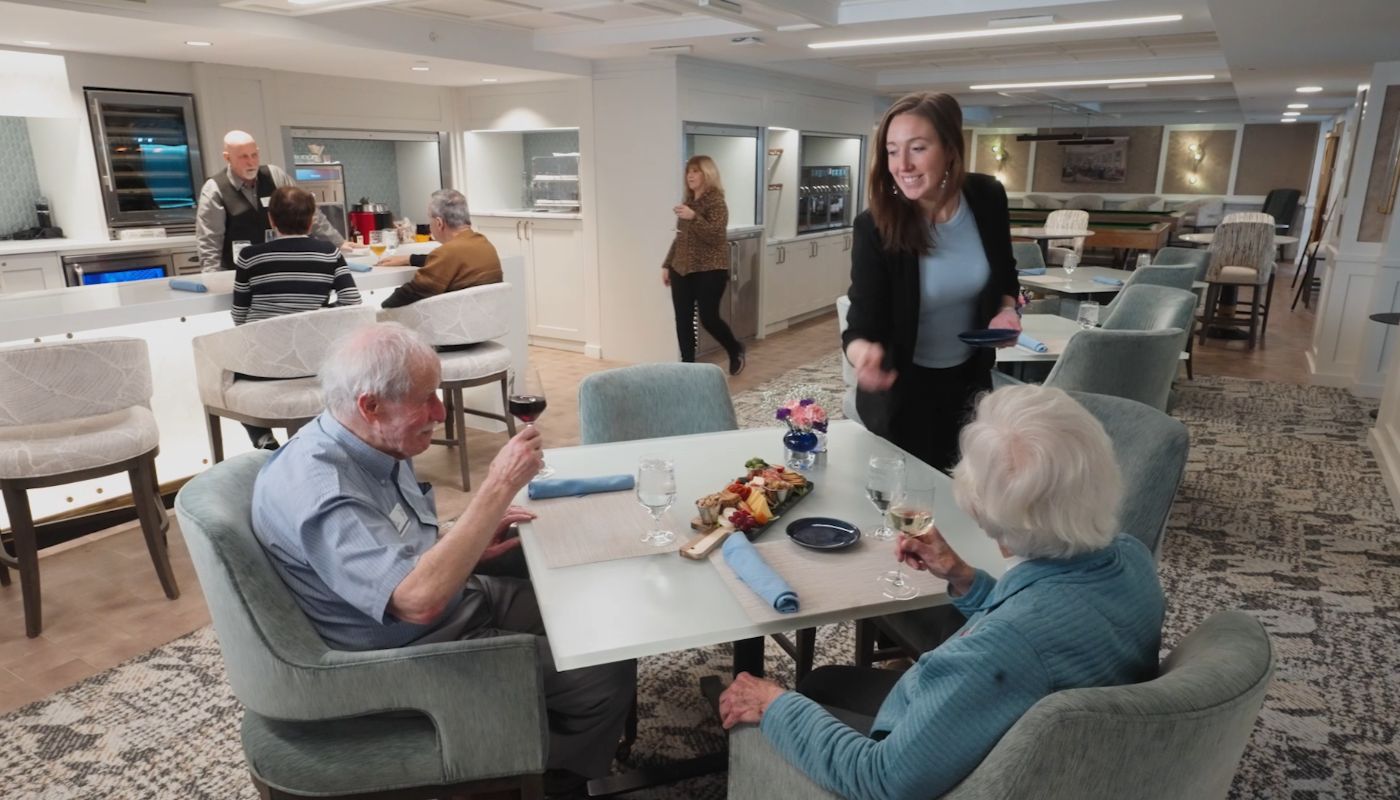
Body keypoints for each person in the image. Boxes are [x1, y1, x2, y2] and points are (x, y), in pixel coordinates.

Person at [718, 385, 1165, 800]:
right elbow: (1044, 618)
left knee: (793, 698)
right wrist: (965, 578)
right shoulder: (1132, 559)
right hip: (1049, 744)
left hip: (946, 768)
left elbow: (880, 778)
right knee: (823, 683)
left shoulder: (1007, 646)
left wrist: (773, 704)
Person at [252, 323, 636, 788]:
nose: (440, 411)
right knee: (601, 667)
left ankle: (555, 745)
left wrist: (463, 543)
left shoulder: (370, 440)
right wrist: (497, 486)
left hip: (451, 604)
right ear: (370, 405)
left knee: (596, 623)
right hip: (407, 648)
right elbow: (417, 601)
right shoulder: (322, 489)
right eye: (425, 399)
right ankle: (546, 777)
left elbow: (399, 544)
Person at [842, 92, 1022, 471]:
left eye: (918, 148)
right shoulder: (875, 226)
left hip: (970, 382)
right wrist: (864, 357)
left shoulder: (987, 197)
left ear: (950, 149)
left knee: (971, 498)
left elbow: (1005, 271)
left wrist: (1006, 311)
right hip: (903, 393)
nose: (902, 164)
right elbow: (860, 325)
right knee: (910, 509)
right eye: (892, 151)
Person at [230, 185, 362, 450]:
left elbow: (239, 316)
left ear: (271, 219)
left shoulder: (248, 257)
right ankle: (313, 438)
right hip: (313, 363)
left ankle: (263, 437)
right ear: (312, 220)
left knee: (232, 370)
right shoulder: (329, 253)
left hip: (261, 367)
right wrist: (319, 316)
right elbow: (352, 304)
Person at [196, 130, 349, 273]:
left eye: (254, 154)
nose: (251, 162)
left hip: (282, 268)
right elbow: (210, 243)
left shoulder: (274, 176)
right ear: (227, 157)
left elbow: (308, 211)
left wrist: (339, 243)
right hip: (240, 273)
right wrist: (213, 279)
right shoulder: (215, 189)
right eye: (243, 157)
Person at [662, 155, 746, 376]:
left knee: (708, 317)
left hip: (710, 270)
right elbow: (681, 237)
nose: (690, 175)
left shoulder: (717, 202)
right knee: (683, 318)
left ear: (707, 174)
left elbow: (716, 236)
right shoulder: (688, 203)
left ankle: (734, 348)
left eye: (696, 171)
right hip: (681, 269)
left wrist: (694, 217)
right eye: (688, 171)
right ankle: (688, 367)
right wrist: (667, 263)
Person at [375, 189, 502, 308]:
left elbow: (410, 293)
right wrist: (410, 259)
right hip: (481, 320)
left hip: (449, 323)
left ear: (439, 223)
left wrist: (380, 308)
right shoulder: (483, 243)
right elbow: (451, 262)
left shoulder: (447, 253)